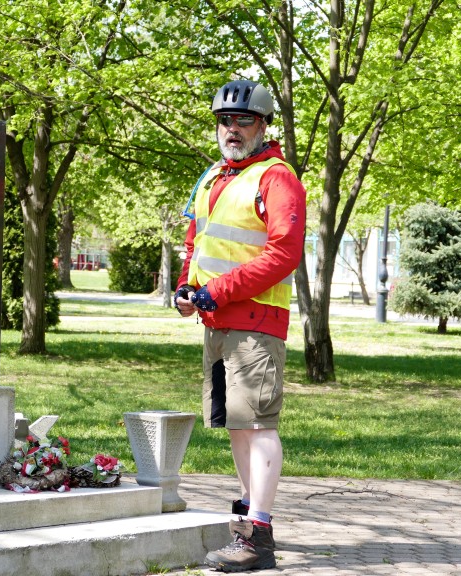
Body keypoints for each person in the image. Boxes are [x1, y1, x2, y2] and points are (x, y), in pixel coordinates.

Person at [175, 79, 306, 572]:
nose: (231, 129)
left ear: (264, 125)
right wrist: (188, 289)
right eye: (224, 121)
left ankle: (259, 534)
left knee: (257, 422)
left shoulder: (277, 178)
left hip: (256, 323)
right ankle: (248, 516)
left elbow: (283, 253)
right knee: (236, 425)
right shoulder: (214, 176)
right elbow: (197, 241)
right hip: (216, 320)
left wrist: (218, 291)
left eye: (243, 120)